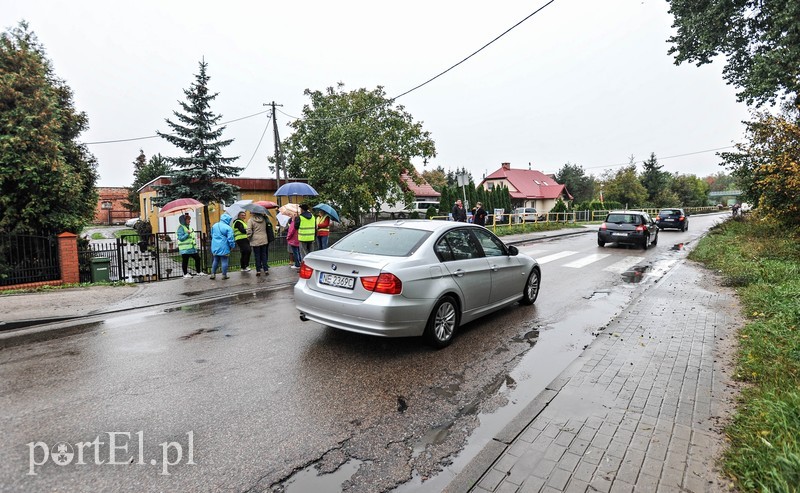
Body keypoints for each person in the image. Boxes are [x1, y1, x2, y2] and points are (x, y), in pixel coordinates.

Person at [210, 212, 236, 280]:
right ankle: (224, 275)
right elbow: (230, 239)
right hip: (224, 246)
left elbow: (212, 234)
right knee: (224, 260)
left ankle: (213, 274)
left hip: (215, 246)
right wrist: (232, 246)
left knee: (215, 260)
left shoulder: (214, 225)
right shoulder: (228, 228)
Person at [248, 212, 274, 276]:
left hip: (255, 240)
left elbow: (249, 230)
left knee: (257, 256)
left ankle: (258, 270)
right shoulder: (264, 219)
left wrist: (248, 237)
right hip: (264, 239)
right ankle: (266, 269)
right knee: (264, 255)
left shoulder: (251, 220)